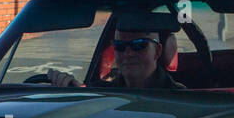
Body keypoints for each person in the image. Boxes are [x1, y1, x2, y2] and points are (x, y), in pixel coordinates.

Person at [45, 28, 184, 89]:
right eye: (120, 46)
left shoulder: (179, 99)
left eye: (139, 45)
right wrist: (73, 89)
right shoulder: (102, 92)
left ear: (158, 51)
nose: (128, 53)